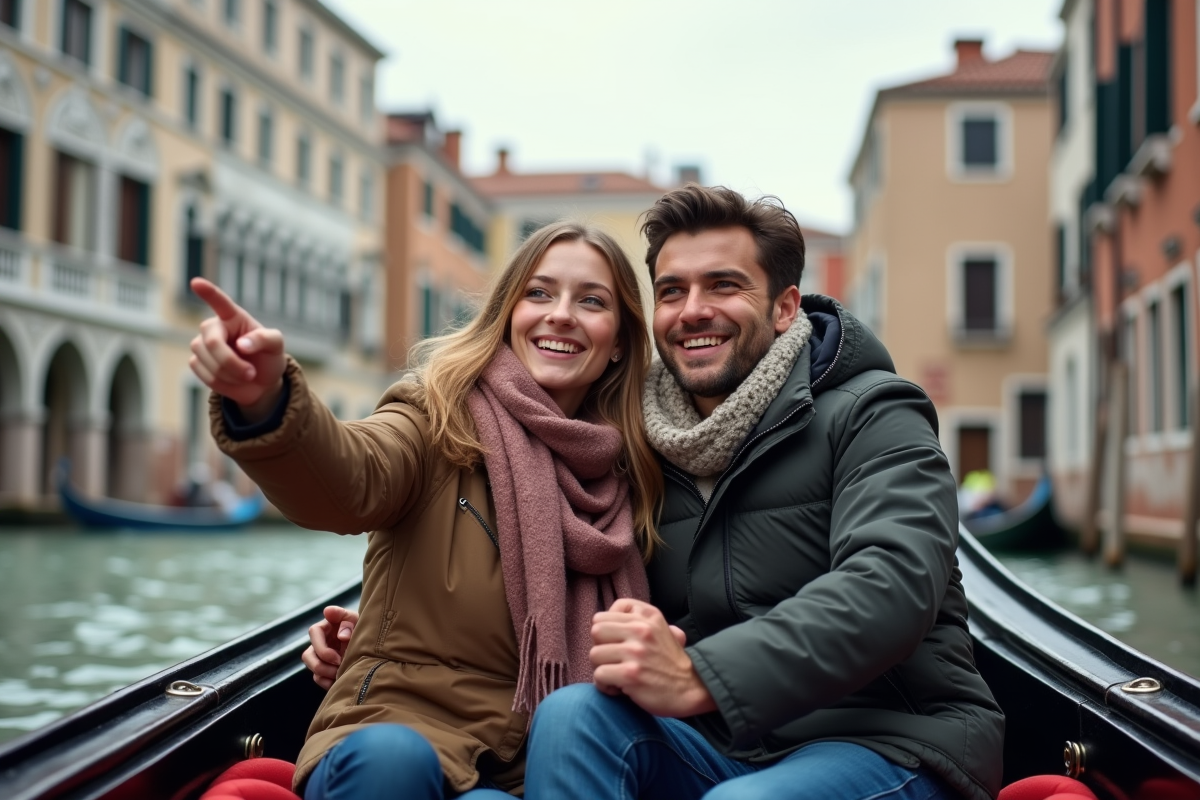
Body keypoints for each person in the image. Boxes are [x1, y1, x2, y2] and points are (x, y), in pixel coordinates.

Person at [308, 186, 1005, 800]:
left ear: (785, 307)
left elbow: (892, 583)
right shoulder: (634, 448)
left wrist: (704, 676)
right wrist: (380, 633)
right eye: (672, 291)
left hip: (886, 736)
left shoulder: (874, 412)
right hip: (717, 743)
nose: (693, 311)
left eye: (723, 286)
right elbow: (528, 568)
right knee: (573, 713)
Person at [188, 221, 662, 799]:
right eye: (539, 293)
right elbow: (349, 477)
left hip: (533, 765)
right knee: (395, 758)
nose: (560, 314)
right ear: (508, 314)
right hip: (401, 727)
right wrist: (268, 401)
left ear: (620, 340)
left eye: (591, 301)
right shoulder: (434, 417)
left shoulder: (637, 471)